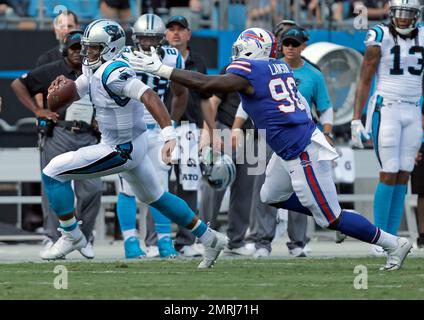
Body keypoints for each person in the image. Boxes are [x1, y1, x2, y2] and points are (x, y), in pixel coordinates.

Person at [129, 26, 413, 271]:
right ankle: (322, 205)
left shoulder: (253, 70)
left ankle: (393, 243)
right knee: (270, 195)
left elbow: (209, 83)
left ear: (254, 50)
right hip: (290, 148)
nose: (237, 53)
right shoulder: (278, 67)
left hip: (302, 151)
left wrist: (164, 70)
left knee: (331, 218)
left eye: (242, 49)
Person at [41, 19, 227, 269]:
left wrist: (169, 133)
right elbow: (69, 95)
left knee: (54, 171)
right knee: (157, 197)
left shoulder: (115, 72)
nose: (88, 52)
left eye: (93, 47)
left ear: (110, 48)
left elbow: (149, 96)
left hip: (121, 149)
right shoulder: (93, 68)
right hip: (131, 144)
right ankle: (210, 238)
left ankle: (71, 235)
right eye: (87, 47)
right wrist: (55, 97)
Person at [11, 30, 102, 259]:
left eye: (81, 48)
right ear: (65, 49)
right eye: (73, 48)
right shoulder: (52, 69)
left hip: (89, 134)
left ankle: (85, 236)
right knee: (53, 185)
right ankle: (53, 237)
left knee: (93, 188)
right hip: (60, 131)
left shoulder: (97, 70)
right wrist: (38, 110)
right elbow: (18, 84)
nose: (78, 53)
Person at [351, 0, 423, 256]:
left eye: (408, 14)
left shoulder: (423, 34)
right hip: (387, 107)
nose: (403, 19)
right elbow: (364, 78)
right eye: (399, 13)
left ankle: (392, 239)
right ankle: (380, 238)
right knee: (389, 170)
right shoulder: (379, 34)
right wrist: (356, 118)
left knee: (405, 173)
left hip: (413, 108)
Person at [115, 13, 188, 259]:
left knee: (160, 187)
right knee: (126, 189)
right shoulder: (121, 55)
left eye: (153, 38)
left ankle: (165, 242)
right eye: (143, 38)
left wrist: (172, 123)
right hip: (128, 128)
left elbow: (180, 93)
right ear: (135, 38)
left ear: (161, 39)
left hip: (158, 130)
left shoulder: (172, 56)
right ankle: (130, 242)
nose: (147, 44)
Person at [164, 15, 216, 257]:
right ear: (165, 34)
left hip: (190, 129)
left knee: (189, 183)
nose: (175, 33)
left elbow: (205, 98)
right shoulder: (158, 57)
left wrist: (211, 130)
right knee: (158, 183)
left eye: (180, 29)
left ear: (188, 34)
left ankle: (184, 241)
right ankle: (157, 240)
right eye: (171, 29)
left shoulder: (198, 61)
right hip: (162, 128)